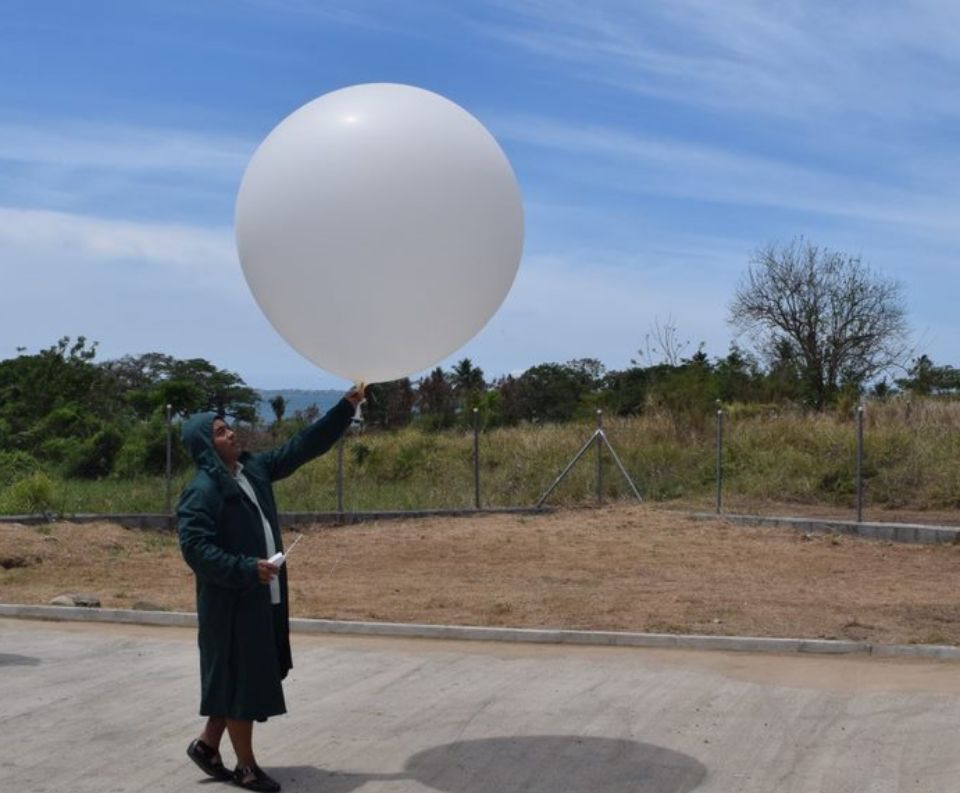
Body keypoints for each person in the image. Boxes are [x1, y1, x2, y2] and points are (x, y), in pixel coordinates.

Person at [178, 386, 364, 792]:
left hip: (260, 598)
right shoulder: (201, 491)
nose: (231, 434)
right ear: (205, 445)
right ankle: (246, 768)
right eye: (221, 431)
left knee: (237, 678)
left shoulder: (252, 472)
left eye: (229, 428)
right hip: (231, 605)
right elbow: (195, 549)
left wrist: (346, 408)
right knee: (240, 684)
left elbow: (301, 446)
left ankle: (208, 746)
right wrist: (245, 568)